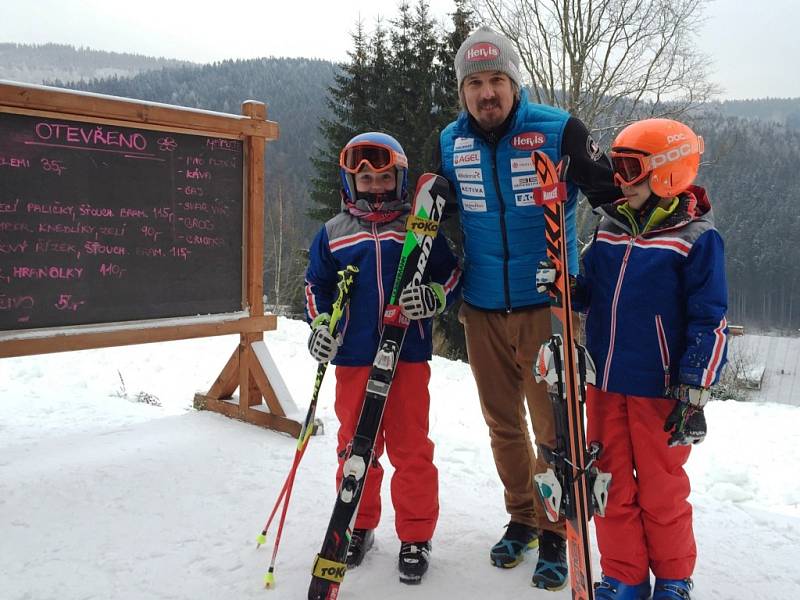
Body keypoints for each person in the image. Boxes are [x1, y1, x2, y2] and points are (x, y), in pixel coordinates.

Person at [438, 26, 620, 590]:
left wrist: (604, 278)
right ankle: (521, 516)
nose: (486, 93)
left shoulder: (559, 130)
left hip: (547, 307)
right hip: (482, 307)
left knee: (552, 425)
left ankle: (555, 525)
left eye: (496, 81)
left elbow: (613, 199)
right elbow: (437, 213)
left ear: (514, 83)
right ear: (463, 91)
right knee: (501, 424)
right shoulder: (450, 141)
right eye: (475, 83)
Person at [538, 118, 728, 599]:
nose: (618, 179)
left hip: (659, 389)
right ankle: (623, 575)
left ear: (667, 172)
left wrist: (693, 389)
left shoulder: (696, 238)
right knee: (609, 485)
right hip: (603, 381)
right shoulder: (610, 227)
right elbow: (595, 294)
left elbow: (710, 319)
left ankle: (673, 577)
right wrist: (568, 289)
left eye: (629, 168)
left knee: (662, 490)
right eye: (615, 167)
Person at [304, 132, 462, 585]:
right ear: (350, 181)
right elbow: (315, 285)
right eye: (365, 177)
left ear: (400, 178)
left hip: (407, 355)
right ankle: (357, 522)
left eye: (384, 177)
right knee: (356, 447)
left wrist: (434, 295)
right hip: (354, 357)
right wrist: (320, 327)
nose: (375, 186)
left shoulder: (418, 226)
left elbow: (449, 274)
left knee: (411, 447)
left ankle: (415, 534)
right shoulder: (333, 233)